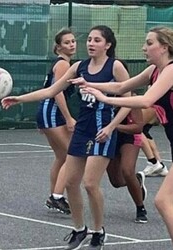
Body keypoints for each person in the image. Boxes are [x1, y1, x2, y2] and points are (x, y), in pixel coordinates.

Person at [2, 25, 131, 249]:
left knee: (90, 184)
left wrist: (111, 127)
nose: (91, 43)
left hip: (103, 130)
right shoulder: (79, 67)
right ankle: (79, 229)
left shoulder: (115, 67)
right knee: (71, 183)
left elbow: (127, 101)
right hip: (83, 129)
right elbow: (51, 91)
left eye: (97, 40)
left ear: (108, 45)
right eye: (89, 39)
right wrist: (19, 99)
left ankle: (98, 231)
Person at [68, 26, 173, 242]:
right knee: (163, 201)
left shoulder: (171, 70)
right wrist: (89, 83)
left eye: (149, 43)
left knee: (163, 201)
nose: (144, 48)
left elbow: (145, 100)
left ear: (164, 47)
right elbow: (122, 85)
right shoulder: (154, 71)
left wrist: (105, 99)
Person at [36, 28, 76, 214]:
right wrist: (68, 118)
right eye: (67, 42)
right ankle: (57, 196)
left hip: (46, 111)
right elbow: (57, 91)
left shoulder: (64, 64)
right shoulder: (63, 65)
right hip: (52, 112)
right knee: (72, 155)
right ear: (59, 47)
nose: (72, 44)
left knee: (61, 156)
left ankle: (55, 194)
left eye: (73, 41)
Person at [106, 105, 148, 223]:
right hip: (109, 137)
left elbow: (138, 127)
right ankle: (137, 181)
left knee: (127, 170)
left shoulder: (131, 100)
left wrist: (114, 126)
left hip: (129, 137)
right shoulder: (101, 97)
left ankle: (140, 208)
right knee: (117, 182)